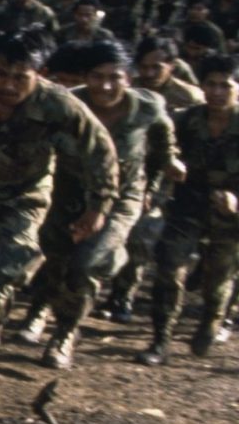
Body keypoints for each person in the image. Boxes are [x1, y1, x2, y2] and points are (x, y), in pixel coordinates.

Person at [0, 31, 117, 391]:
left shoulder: (59, 105)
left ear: (40, 73)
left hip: (22, 202)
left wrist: (99, 206)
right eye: (1, 74)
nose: (8, 85)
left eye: (20, 77)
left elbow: (100, 151)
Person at [24, 40, 175, 367]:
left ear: (129, 78)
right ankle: (39, 308)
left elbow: (164, 146)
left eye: (115, 77)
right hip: (67, 192)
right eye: (97, 76)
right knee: (54, 255)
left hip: (121, 198)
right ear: (85, 77)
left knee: (86, 262)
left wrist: (160, 181)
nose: (106, 86)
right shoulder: (68, 104)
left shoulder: (148, 108)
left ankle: (65, 333)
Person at [143, 56, 239, 363]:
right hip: (187, 205)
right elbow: (160, 154)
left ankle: (211, 322)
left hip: (229, 214)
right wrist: (158, 184)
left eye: (226, 85)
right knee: (169, 269)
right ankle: (160, 340)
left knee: (219, 278)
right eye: (211, 84)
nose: (217, 92)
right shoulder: (185, 120)